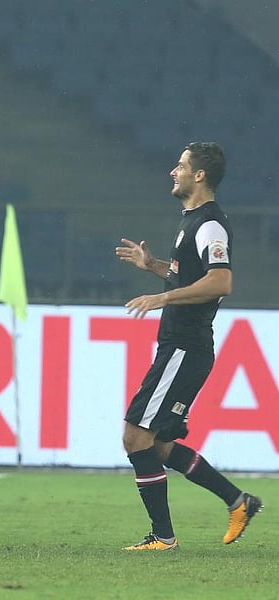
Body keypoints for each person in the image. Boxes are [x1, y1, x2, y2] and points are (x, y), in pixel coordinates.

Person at [115, 142, 261, 551]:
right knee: (158, 446)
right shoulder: (192, 221)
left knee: (134, 436)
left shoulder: (210, 224)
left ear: (199, 175)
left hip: (185, 347)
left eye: (180, 166)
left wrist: (160, 298)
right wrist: (156, 267)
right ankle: (239, 501)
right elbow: (188, 277)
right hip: (181, 347)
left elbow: (221, 281)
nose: (172, 172)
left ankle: (163, 538)